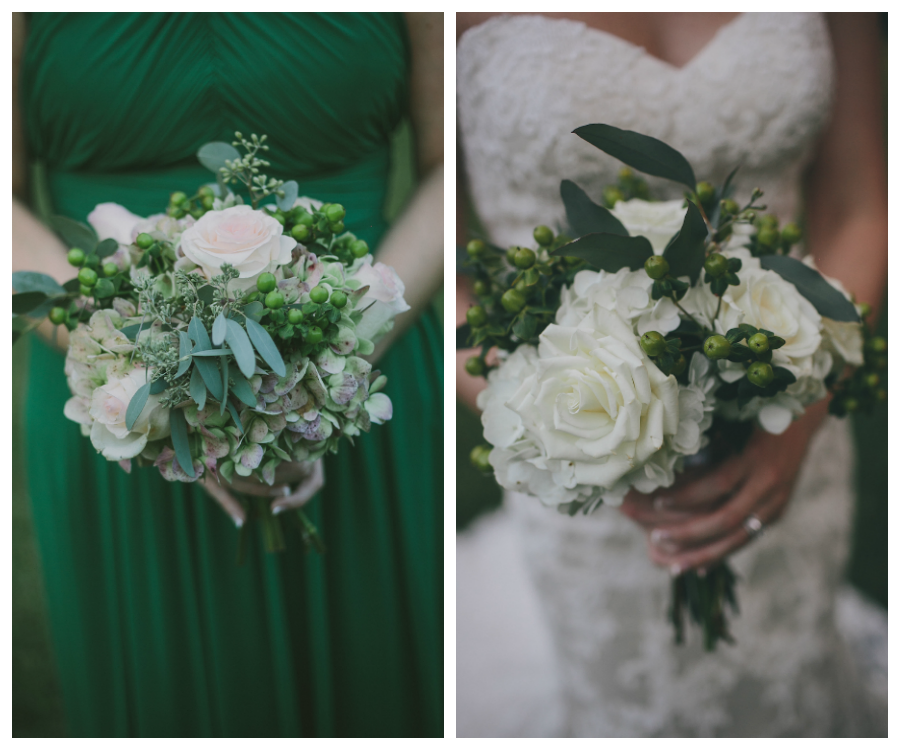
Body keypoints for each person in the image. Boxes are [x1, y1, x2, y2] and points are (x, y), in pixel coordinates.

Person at [10, 12, 454, 738]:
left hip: (363, 370)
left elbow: (453, 169)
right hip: (127, 411)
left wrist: (331, 358)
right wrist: (159, 376)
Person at [456, 12, 889, 737]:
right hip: (580, 443)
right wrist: (544, 413)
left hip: (789, 422)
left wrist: (802, 413)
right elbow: (437, 242)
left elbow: (859, 206)